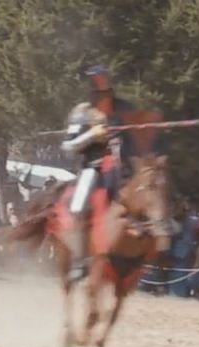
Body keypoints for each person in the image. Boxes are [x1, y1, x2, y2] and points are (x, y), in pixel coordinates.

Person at [59, 65, 142, 282]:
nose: (100, 83)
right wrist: (92, 136)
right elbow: (68, 147)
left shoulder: (125, 108)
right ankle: (79, 260)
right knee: (78, 207)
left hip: (124, 168)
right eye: (95, 80)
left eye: (103, 79)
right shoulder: (82, 112)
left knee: (151, 193)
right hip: (94, 167)